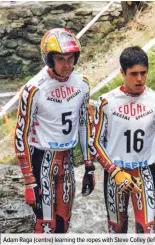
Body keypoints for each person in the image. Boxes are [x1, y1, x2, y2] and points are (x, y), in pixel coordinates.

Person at [14, 28, 95, 233]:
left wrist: (89, 165)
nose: (67, 65)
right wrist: (28, 180)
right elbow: (20, 134)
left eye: (71, 58)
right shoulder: (34, 89)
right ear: (49, 59)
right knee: (45, 224)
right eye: (60, 59)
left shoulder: (82, 84)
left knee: (63, 222)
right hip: (41, 159)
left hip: (67, 159)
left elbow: (84, 123)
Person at [91, 46, 155, 233]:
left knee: (147, 230)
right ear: (122, 72)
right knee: (116, 230)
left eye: (143, 73)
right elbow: (95, 142)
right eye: (133, 73)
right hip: (116, 174)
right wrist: (114, 171)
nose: (139, 79)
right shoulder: (106, 102)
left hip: (145, 172)